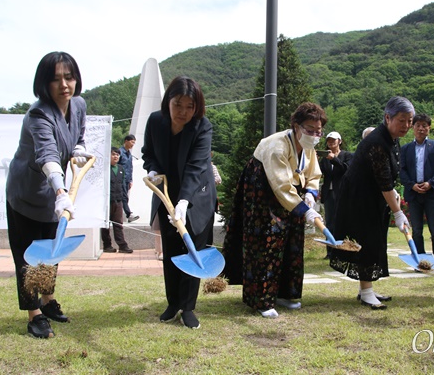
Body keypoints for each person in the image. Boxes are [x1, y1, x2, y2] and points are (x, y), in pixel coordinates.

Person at [5, 51, 93, 338]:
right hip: (28, 192)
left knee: (52, 251)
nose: (64, 85)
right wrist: (60, 190)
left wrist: (79, 148)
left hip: (55, 196)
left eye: (69, 77)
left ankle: (48, 301)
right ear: (44, 83)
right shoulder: (38, 114)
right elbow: (47, 155)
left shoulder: (77, 104)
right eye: (56, 80)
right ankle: (34, 316)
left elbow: (77, 135)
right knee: (29, 255)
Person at [223, 102, 327, 318]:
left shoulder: (309, 148)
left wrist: (310, 192)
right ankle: (261, 299)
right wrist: (305, 210)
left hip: (291, 194)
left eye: (318, 131)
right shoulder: (276, 146)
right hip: (263, 190)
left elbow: (313, 173)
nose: (315, 135)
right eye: (310, 130)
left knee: (292, 240)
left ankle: (283, 293)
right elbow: (281, 185)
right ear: (296, 126)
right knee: (267, 240)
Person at [142, 76, 217, 329]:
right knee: (172, 250)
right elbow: (148, 153)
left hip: (197, 195)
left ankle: (188, 307)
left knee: (192, 249)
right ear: (168, 102)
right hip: (165, 194)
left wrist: (184, 201)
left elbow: (196, 167)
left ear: (197, 107)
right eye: (178, 104)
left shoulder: (202, 127)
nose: (183, 111)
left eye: (189, 106)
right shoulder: (155, 121)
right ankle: (173, 303)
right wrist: (152, 170)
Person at [330, 97, 414, 309]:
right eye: (402, 120)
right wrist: (398, 212)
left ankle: (365, 289)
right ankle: (367, 292)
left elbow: (386, 177)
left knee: (375, 240)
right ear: (388, 118)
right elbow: (383, 181)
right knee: (367, 241)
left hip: (373, 195)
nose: (406, 125)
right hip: (359, 198)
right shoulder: (377, 141)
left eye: (409, 121)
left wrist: (394, 194)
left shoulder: (392, 138)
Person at [400, 113, 434, 272]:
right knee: (417, 230)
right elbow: (402, 171)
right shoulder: (406, 148)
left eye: (424, 126)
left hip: (432, 193)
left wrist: (431, 183)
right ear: (413, 127)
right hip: (414, 194)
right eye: (418, 125)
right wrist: (412, 185)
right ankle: (420, 261)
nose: (421, 129)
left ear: (429, 128)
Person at [318, 131, 353, 259]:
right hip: (329, 193)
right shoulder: (325, 159)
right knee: (330, 222)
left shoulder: (347, 155)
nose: (331, 143)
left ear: (340, 141)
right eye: (329, 141)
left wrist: (334, 159)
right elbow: (319, 172)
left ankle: (342, 249)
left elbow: (347, 170)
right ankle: (330, 251)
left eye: (333, 140)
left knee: (342, 221)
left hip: (343, 193)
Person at [101, 147, 134, 254]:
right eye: (113, 154)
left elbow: (123, 185)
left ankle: (122, 245)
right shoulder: (105, 168)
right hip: (107, 201)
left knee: (118, 224)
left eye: (117, 155)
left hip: (118, 200)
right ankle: (107, 245)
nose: (116, 156)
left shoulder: (121, 168)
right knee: (106, 225)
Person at [119, 134, 139, 223]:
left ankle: (127, 215)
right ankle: (129, 214)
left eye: (134, 143)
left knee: (125, 197)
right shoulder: (119, 152)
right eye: (131, 142)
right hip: (120, 178)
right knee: (123, 196)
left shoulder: (129, 154)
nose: (132, 144)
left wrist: (131, 180)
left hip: (127, 179)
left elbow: (130, 167)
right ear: (126, 141)